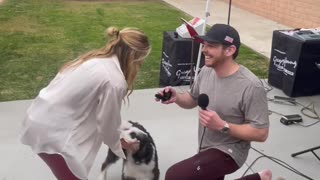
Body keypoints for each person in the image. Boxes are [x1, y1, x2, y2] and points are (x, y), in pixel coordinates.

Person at [20, 26, 151, 180]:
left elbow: (92, 106)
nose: (140, 65)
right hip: (55, 135)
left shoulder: (93, 60)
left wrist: (120, 127)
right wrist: (126, 145)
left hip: (38, 120)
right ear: (134, 56)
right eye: (141, 60)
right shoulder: (114, 81)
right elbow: (107, 127)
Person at [156, 24, 271, 180]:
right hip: (205, 147)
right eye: (204, 45)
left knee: (175, 176)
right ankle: (261, 178)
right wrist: (177, 97)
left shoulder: (251, 86)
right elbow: (192, 99)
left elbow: (261, 133)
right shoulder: (206, 71)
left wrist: (222, 126)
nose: (204, 50)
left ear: (229, 50)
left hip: (230, 151)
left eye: (210, 46)